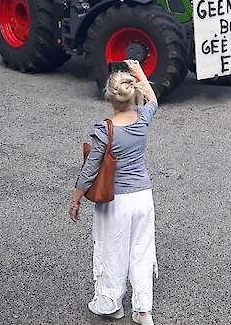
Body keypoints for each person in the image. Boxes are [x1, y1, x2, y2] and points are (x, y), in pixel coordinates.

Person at [70, 60, 158, 325]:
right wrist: (139, 72)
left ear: (109, 97)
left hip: (115, 200)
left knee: (113, 250)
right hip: (143, 197)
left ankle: (110, 304)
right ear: (131, 94)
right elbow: (153, 99)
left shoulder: (105, 130)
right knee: (142, 250)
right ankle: (143, 311)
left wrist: (76, 199)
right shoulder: (143, 118)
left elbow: (90, 170)